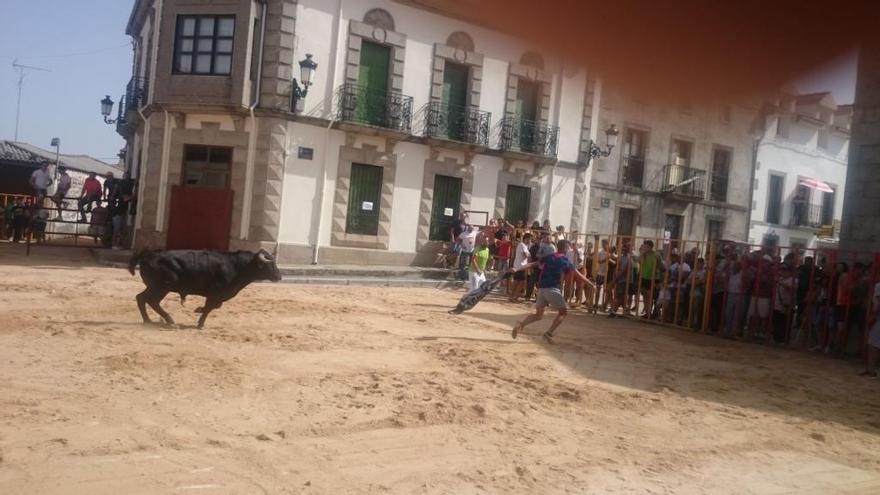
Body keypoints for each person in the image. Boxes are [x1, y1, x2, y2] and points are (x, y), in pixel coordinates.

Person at [510, 239, 594, 344]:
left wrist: (517, 269)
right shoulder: (565, 260)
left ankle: (521, 325)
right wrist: (591, 285)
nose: (569, 249)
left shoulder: (549, 257)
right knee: (563, 312)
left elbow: (532, 264)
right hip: (553, 289)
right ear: (565, 248)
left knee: (538, 315)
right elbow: (579, 275)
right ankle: (548, 334)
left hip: (542, 289)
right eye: (568, 248)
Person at [859, 279, 880, 377]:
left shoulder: (878, 286)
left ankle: (871, 369)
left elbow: (877, 304)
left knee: (873, 343)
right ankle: (870, 369)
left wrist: (873, 315)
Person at [608, 243, 634, 317]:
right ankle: (625, 311)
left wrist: (614, 280)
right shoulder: (621, 257)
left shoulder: (629, 259)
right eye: (623, 249)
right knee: (620, 296)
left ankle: (614, 311)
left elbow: (623, 271)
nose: (623, 250)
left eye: (625, 249)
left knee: (620, 296)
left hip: (625, 280)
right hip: (620, 279)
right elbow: (617, 267)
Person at [638, 240, 663, 319]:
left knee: (650, 295)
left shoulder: (656, 254)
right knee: (645, 295)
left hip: (652, 277)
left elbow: (660, 265)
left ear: (650, 247)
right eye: (644, 246)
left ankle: (651, 313)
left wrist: (657, 278)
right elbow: (639, 261)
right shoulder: (644, 254)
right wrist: (642, 253)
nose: (645, 248)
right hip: (643, 276)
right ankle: (647, 312)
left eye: (646, 246)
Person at [509, 233, 532, 303]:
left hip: (521, 266)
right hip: (519, 266)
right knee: (518, 282)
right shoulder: (522, 245)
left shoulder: (524, 246)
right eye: (529, 239)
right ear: (526, 239)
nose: (530, 241)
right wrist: (529, 254)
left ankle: (514, 296)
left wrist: (528, 254)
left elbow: (527, 255)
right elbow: (525, 255)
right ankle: (513, 297)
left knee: (520, 282)